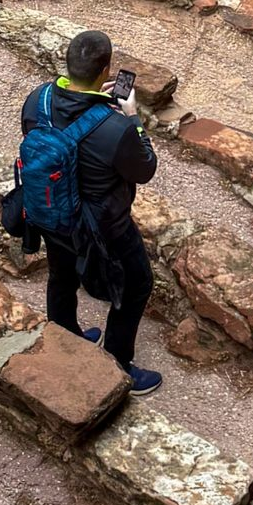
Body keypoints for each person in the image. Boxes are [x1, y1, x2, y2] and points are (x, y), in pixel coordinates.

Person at [19, 29, 163, 395]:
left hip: (50, 213)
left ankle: (65, 340)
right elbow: (145, 169)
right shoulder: (115, 127)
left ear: (69, 65)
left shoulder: (39, 100)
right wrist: (133, 118)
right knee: (136, 285)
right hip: (102, 226)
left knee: (61, 276)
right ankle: (117, 365)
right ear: (106, 71)